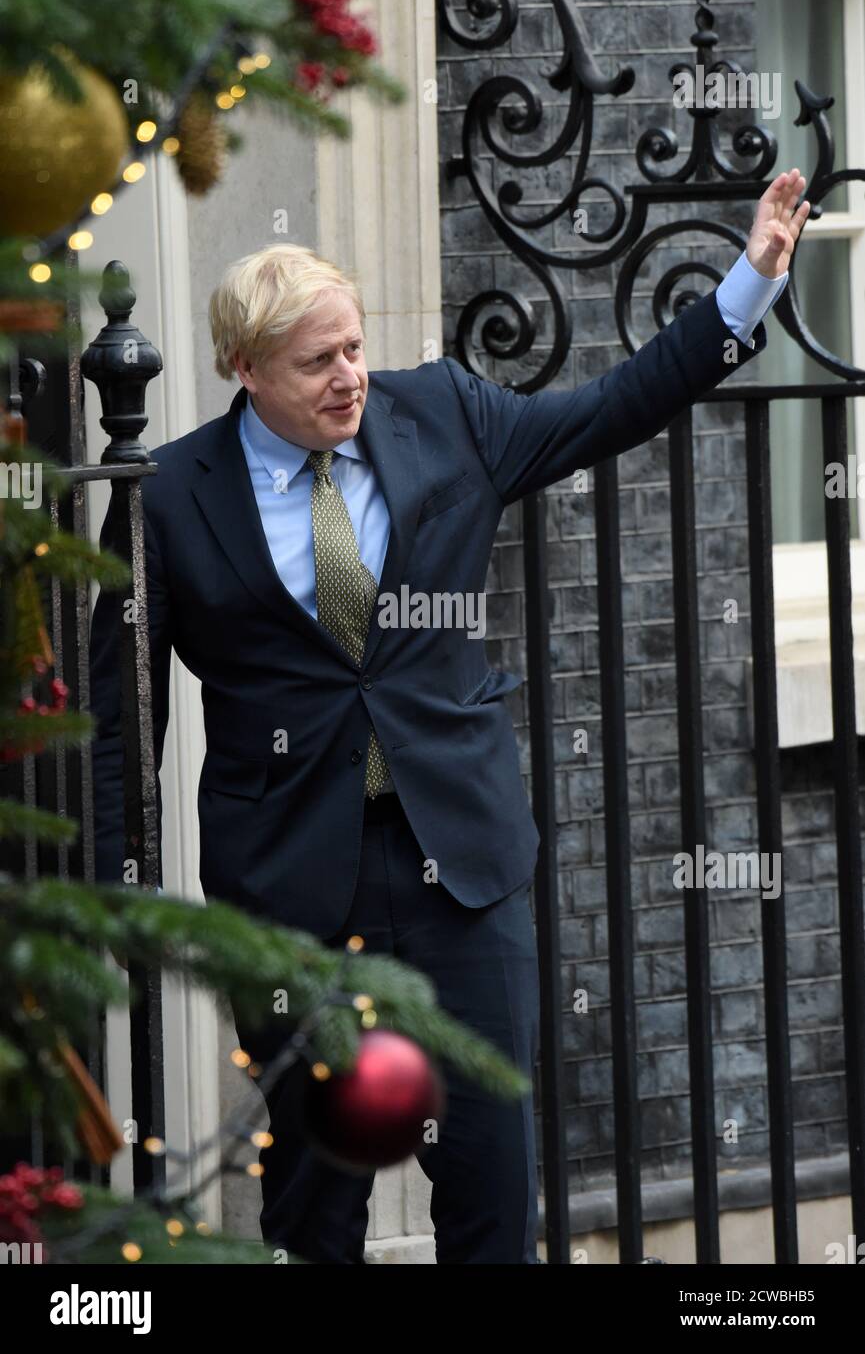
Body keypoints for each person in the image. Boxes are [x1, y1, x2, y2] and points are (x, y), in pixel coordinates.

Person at [89, 171, 810, 1264]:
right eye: (317, 361)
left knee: (489, 1180)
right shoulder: (171, 494)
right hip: (288, 887)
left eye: (354, 346)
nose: (350, 378)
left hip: (459, 866)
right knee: (315, 1195)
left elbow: (605, 410)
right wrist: (111, 896)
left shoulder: (442, 412)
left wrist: (745, 287)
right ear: (244, 369)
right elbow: (117, 718)